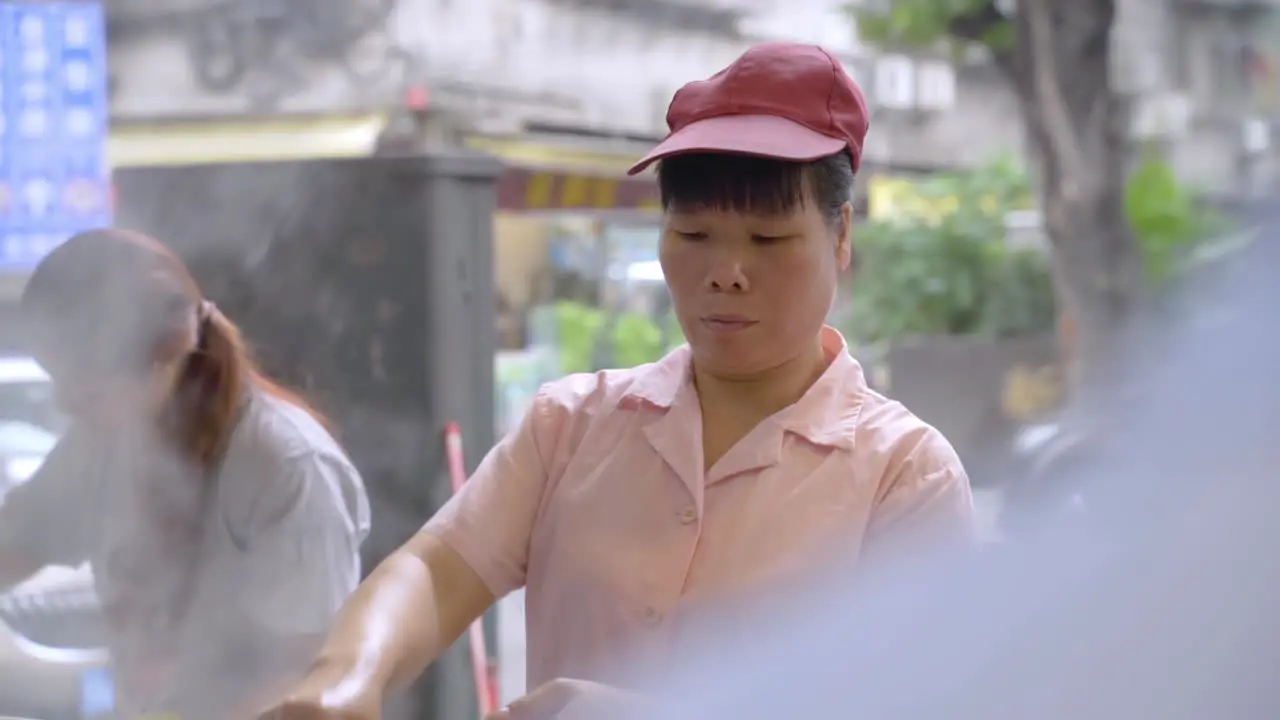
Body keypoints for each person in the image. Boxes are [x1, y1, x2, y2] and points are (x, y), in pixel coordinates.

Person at [266, 41, 973, 720]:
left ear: (841, 234)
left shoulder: (903, 476)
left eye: (768, 239)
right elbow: (435, 571)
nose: (725, 271)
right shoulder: (571, 426)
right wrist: (346, 677)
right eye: (693, 234)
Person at [0, 228, 371, 719]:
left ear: (166, 362)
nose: (67, 405)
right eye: (59, 382)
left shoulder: (288, 467)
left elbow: (301, 678)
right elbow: (18, 541)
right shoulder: (102, 444)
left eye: (88, 389)